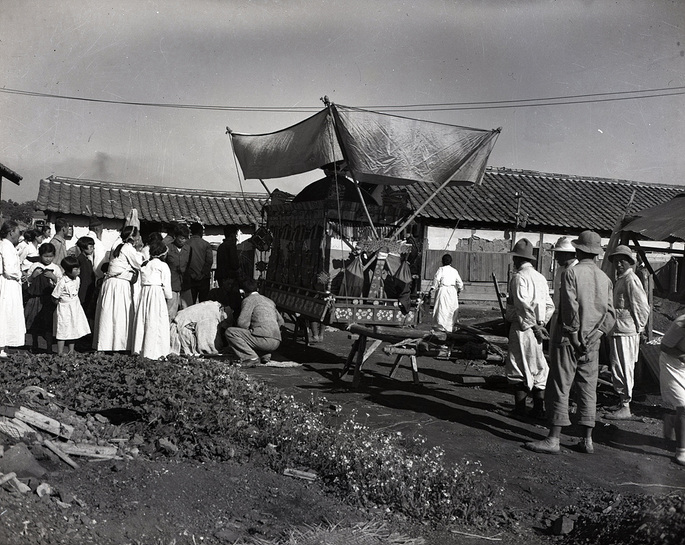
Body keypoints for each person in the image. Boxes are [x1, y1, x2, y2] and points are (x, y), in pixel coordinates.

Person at [525, 230, 615, 455]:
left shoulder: (571, 274)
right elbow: (611, 314)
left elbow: (569, 308)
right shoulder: (605, 278)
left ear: (578, 250)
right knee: (587, 387)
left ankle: (553, 439)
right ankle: (587, 440)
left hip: (568, 339)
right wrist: (596, 336)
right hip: (592, 341)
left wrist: (574, 336)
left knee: (560, 384)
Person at [505, 239, 555, 419]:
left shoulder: (519, 277)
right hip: (537, 328)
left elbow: (522, 304)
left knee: (518, 364)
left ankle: (520, 409)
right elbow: (550, 306)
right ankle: (538, 408)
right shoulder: (541, 278)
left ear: (518, 259)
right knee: (539, 365)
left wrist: (534, 326)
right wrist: (541, 324)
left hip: (523, 328)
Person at [605, 245, 650, 420]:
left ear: (629, 262)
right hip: (618, 329)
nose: (618, 265)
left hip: (627, 330)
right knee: (618, 366)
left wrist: (639, 329)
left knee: (624, 367)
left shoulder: (631, 280)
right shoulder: (621, 280)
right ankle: (622, 401)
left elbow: (642, 307)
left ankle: (625, 406)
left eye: (622, 261)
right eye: (616, 261)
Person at [93, 225, 144, 352]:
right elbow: (139, 263)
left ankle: (108, 344)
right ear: (132, 237)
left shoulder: (119, 246)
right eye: (137, 235)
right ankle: (117, 345)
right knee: (118, 314)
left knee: (110, 314)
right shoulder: (128, 248)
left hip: (112, 283)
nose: (139, 238)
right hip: (118, 285)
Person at [224, 277, 284, 365]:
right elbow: (281, 322)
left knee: (230, 332)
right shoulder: (269, 300)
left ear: (242, 291)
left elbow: (242, 323)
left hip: (263, 340)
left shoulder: (248, 300)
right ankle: (265, 355)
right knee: (253, 333)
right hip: (276, 341)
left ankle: (251, 357)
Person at [132, 241, 173, 360]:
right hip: (156, 294)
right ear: (162, 254)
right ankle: (156, 352)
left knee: (144, 319)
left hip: (145, 293)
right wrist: (168, 297)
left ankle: (141, 349)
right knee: (156, 320)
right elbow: (167, 285)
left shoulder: (145, 265)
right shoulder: (163, 266)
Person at [24, 242, 62, 353]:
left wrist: (54, 278)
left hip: (48, 299)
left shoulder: (55, 268)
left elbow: (61, 283)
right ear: (40, 255)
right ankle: (34, 343)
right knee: (34, 322)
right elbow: (27, 281)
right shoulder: (34, 266)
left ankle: (49, 347)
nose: (48, 259)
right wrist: (33, 276)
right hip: (35, 298)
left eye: (50, 256)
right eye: (45, 256)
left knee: (48, 324)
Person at [660, 312, 685, 466]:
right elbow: (664, 346)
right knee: (684, 405)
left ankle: (671, 419)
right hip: (672, 365)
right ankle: (681, 451)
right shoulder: (681, 323)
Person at [52, 256, 90, 356]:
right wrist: (61, 305)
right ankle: (60, 351)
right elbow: (55, 296)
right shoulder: (62, 282)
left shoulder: (77, 279)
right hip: (64, 308)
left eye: (79, 268)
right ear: (68, 270)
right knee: (63, 328)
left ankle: (71, 350)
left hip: (75, 307)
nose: (78, 271)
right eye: (76, 269)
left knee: (73, 328)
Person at [0, 220, 27, 359]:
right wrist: (20, 274)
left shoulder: (9, 246)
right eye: (18, 232)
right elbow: (9, 270)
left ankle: (4, 345)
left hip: (11, 284)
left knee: (8, 314)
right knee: (5, 313)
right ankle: (1, 346)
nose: (19, 235)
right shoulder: (6, 246)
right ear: (11, 232)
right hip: (8, 284)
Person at [549, 237, 578, 336]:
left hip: (570, 318)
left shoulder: (577, 270)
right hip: (557, 314)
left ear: (567, 254)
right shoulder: (560, 270)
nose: (556, 257)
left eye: (558, 254)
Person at [430, 253, 464, 332]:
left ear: (442, 262)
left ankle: (440, 327)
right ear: (451, 262)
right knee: (451, 309)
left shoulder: (441, 269)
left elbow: (436, 279)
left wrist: (433, 287)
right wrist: (459, 290)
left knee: (442, 309)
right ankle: (449, 328)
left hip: (443, 291)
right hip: (452, 291)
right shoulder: (454, 271)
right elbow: (460, 283)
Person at [165, 223, 192, 320]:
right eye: (181, 238)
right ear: (175, 237)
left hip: (185, 284)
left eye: (185, 238)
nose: (183, 241)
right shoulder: (168, 248)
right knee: (171, 312)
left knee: (187, 311)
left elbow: (189, 265)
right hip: (172, 284)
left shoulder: (188, 249)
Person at [185, 222, 214, 305]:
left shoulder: (186, 244)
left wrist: (191, 274)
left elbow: (185, 261)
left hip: (190, 278)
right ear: (201, 231)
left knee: (190, 303)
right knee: (203, 303)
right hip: (204, 279)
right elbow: (209, 261)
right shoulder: (206, 244)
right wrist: (202, 274)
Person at [75, 236, 97, 321]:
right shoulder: (80, 260)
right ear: (83, 248)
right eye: (90, 247)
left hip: (88, 290)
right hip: (82, 291)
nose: (92, 249)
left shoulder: (88, 260)